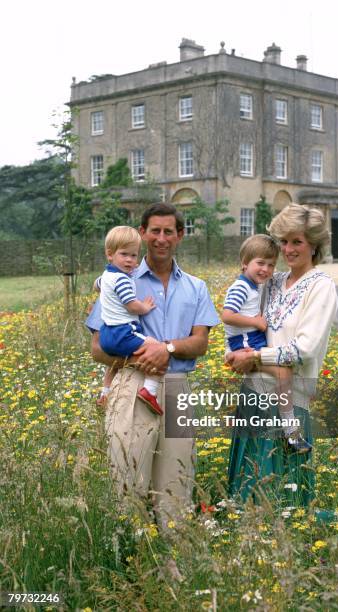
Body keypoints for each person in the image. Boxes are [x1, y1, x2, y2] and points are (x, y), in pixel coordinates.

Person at [85, 203, 219, 529]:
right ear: (142, 233)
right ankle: (131, 563)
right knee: (128, 480)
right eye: (154, 231)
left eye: (168, 232)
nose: (161, 238)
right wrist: (141, 358)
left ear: (180, 236)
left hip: (177, 389)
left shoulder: (196, 287)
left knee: (177, 483)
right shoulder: (118, 279)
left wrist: (167, 348)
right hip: (132, 383)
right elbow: (97, 347)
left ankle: (175, 566)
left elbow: (200, 342)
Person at [226, 203, 338, 509]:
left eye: (297, 241)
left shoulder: (321, 287)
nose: (288, 249)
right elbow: (242, 316)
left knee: (282, 500)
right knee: (247, 493)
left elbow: (304, 350)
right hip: (254, 394)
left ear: (314, 245)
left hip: (290, 400)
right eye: (284, 241)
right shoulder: (272, 281)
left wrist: (254, 357)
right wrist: (234, 353)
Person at [221, 234, 312, 453]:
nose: (266, 269)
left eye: (271, 265)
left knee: (284, 373)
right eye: (260, 263)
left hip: (251, 342)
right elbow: (227, 315)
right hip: (246, 345)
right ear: (245, 263)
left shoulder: (255, 286)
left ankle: (288, 428)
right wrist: (256, 322)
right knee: (283, 373)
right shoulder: (241, 287)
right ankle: (290, 431)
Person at [97, 225, 163, 415]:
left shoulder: (106, 276)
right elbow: (131, 305)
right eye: (124, 254)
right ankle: (149, 390)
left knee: (114, 364)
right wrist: (145, 307)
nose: (129, 260)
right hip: (123, 331)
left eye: (134, 256)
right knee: (156, 348)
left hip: (107, 334)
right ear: (110, 254)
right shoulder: (122, 280)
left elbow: (97, 285)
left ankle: (105, 392)